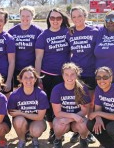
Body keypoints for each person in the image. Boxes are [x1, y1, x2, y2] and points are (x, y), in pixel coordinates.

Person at [35, 8, 70, 143]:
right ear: (48, 20)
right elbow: (38, 58)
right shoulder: (43, 36)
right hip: (48, 75)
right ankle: (52, 129)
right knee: (50, 103)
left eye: (58, 18)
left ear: (62, 20)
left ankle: (66, 130)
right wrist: (38, 78)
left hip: (65, 76)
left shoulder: (68, 32)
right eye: (52, 18)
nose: (55, 21)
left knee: (66, 103)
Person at [67, 6, 98, 144]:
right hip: (76, 74)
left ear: (85, 16)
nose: (77, 19)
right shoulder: (70, 33)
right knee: (77, 103)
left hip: (91, 72)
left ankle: (89, 131)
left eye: (80, 16)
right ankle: (77, 131)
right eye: (74, 17)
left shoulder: (94, 31)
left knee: (90, 104)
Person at [51, 63, 91, 148]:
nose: (69, 77)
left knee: (84, 124)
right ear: (62, 75)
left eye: (72, 74)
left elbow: (84, 111)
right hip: (62, 118)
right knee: (59, 124)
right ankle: (58, 140)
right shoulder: (57, 89)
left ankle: (83, 139)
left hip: (78, 117)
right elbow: (57, 113)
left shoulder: (82, 89)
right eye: (66, 74)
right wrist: (72, 116)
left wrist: (71, 119)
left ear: (77, 75)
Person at [8, 66, 49, 148]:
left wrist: (21, 113)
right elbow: (11, 112)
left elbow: (40, 117)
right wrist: (21, 115)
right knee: (19, 121)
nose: (28, 80)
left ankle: (34, 138)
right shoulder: (15, 94)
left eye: (31, 77)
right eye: (25, 77)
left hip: (37, 121)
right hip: (22, 121)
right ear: (21, 79)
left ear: (35, 79)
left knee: (36, 131)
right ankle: (22, 140)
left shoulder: (41, 94)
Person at [8, 6, 43, 88]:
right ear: (19, 16)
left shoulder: (38, 31)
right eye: (22, 16)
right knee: (17, 92)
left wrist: (37, 74)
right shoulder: (12, 31)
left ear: (32, 16)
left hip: (31, 69)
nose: (25, 18)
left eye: (28, 16)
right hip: (16, 68)